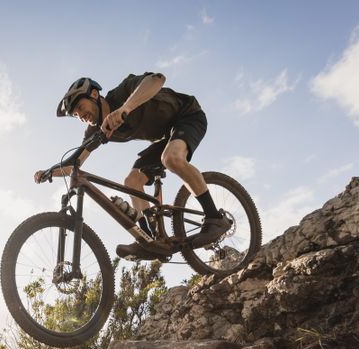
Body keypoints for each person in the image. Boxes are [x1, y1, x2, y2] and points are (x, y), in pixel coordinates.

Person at [34, 73, 231, 260]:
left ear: (93, 94)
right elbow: (74, 164)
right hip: (165, 138)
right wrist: (49, 172)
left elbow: (157, 79)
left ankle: (215, 218)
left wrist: (125, 108)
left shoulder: (123, 92)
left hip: (188, 116)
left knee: (171, 158)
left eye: (80, 107)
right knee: (132, 181)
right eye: (76, 115)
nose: (81, 116)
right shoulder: (96, 130)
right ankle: (148, 240)